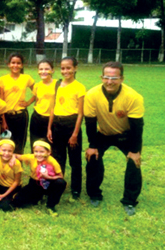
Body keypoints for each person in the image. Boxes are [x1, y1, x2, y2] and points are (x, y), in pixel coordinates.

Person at [84, 61, 144, 216]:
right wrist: (92, 145)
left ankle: (129, 201)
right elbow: (90, 122)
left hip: (126, 134)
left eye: (114, 78)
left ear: (122, 79)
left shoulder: (133, 97)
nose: (109, 81)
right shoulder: (92, 94)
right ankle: (94, 194)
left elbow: (137, 126)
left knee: (134, 163)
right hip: (103, 133)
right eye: (106, 77)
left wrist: (135, 151)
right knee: (93, 157)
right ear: (101, 77)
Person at [47, 57, 85, 202]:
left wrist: (75, 134)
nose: (65, 71)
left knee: (75, 161)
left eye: (69, 68)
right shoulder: (57, 85)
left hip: (71, 124)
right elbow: (53, 108)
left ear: (75, 68)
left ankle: (76, 189)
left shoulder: (79, 87)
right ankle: (59, 185)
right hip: (57, 124)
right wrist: (49, 127)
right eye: (63, 68)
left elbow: (80, 113)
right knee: (58, 158)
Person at [12, 140, 66, 217]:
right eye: (36, 151)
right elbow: (16, 155)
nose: (38, 154)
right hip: (35, 183)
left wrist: (48, 177)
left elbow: (61, 177)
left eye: (42, 152)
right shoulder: (32, 157)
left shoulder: (52, 161)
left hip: (48, 183)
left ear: (48, 152)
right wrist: (13, 159)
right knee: (17, 202)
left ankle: (51, 205)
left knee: (60, 183)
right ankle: (38, 197)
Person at [0, 53, 35, 154]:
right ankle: (5, 168)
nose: (16, 65)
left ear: (22, 65)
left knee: (20, 143)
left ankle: (18, 167)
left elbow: (38, 91)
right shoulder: (2, 80)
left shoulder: (26, 78)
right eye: (13, 63)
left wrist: (28, 102)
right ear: (9, 64)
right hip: (7, 116)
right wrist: (3, 120)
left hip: (21, 115)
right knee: (6, 142)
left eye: (18, 63)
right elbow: (0, 102)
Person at [30, 59, 57, 147]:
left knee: (50, 147)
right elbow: (36, 100)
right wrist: (26, 104)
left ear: (52, 70)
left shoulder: (58, 84)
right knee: (35, 145)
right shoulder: (37, 85)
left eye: (46, 69)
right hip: (37, 119)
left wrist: (49, 127)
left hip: (52, 119)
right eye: (41, 69)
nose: (43, 71)